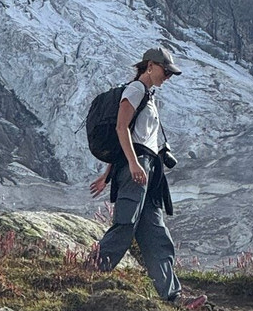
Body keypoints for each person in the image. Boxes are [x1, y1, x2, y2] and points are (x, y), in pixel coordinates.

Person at [90, 46, 206, 309]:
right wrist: (132, 164)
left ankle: (173, 296)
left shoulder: (149, 96)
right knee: (126, 223)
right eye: (166, 71)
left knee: (155, 233)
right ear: (150, 66)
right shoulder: (135, 90)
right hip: (138, 167)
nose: (168, 77)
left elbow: (128, 134)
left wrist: (108, 175)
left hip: (147, 170)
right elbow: (122, 128)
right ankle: (90, 272)